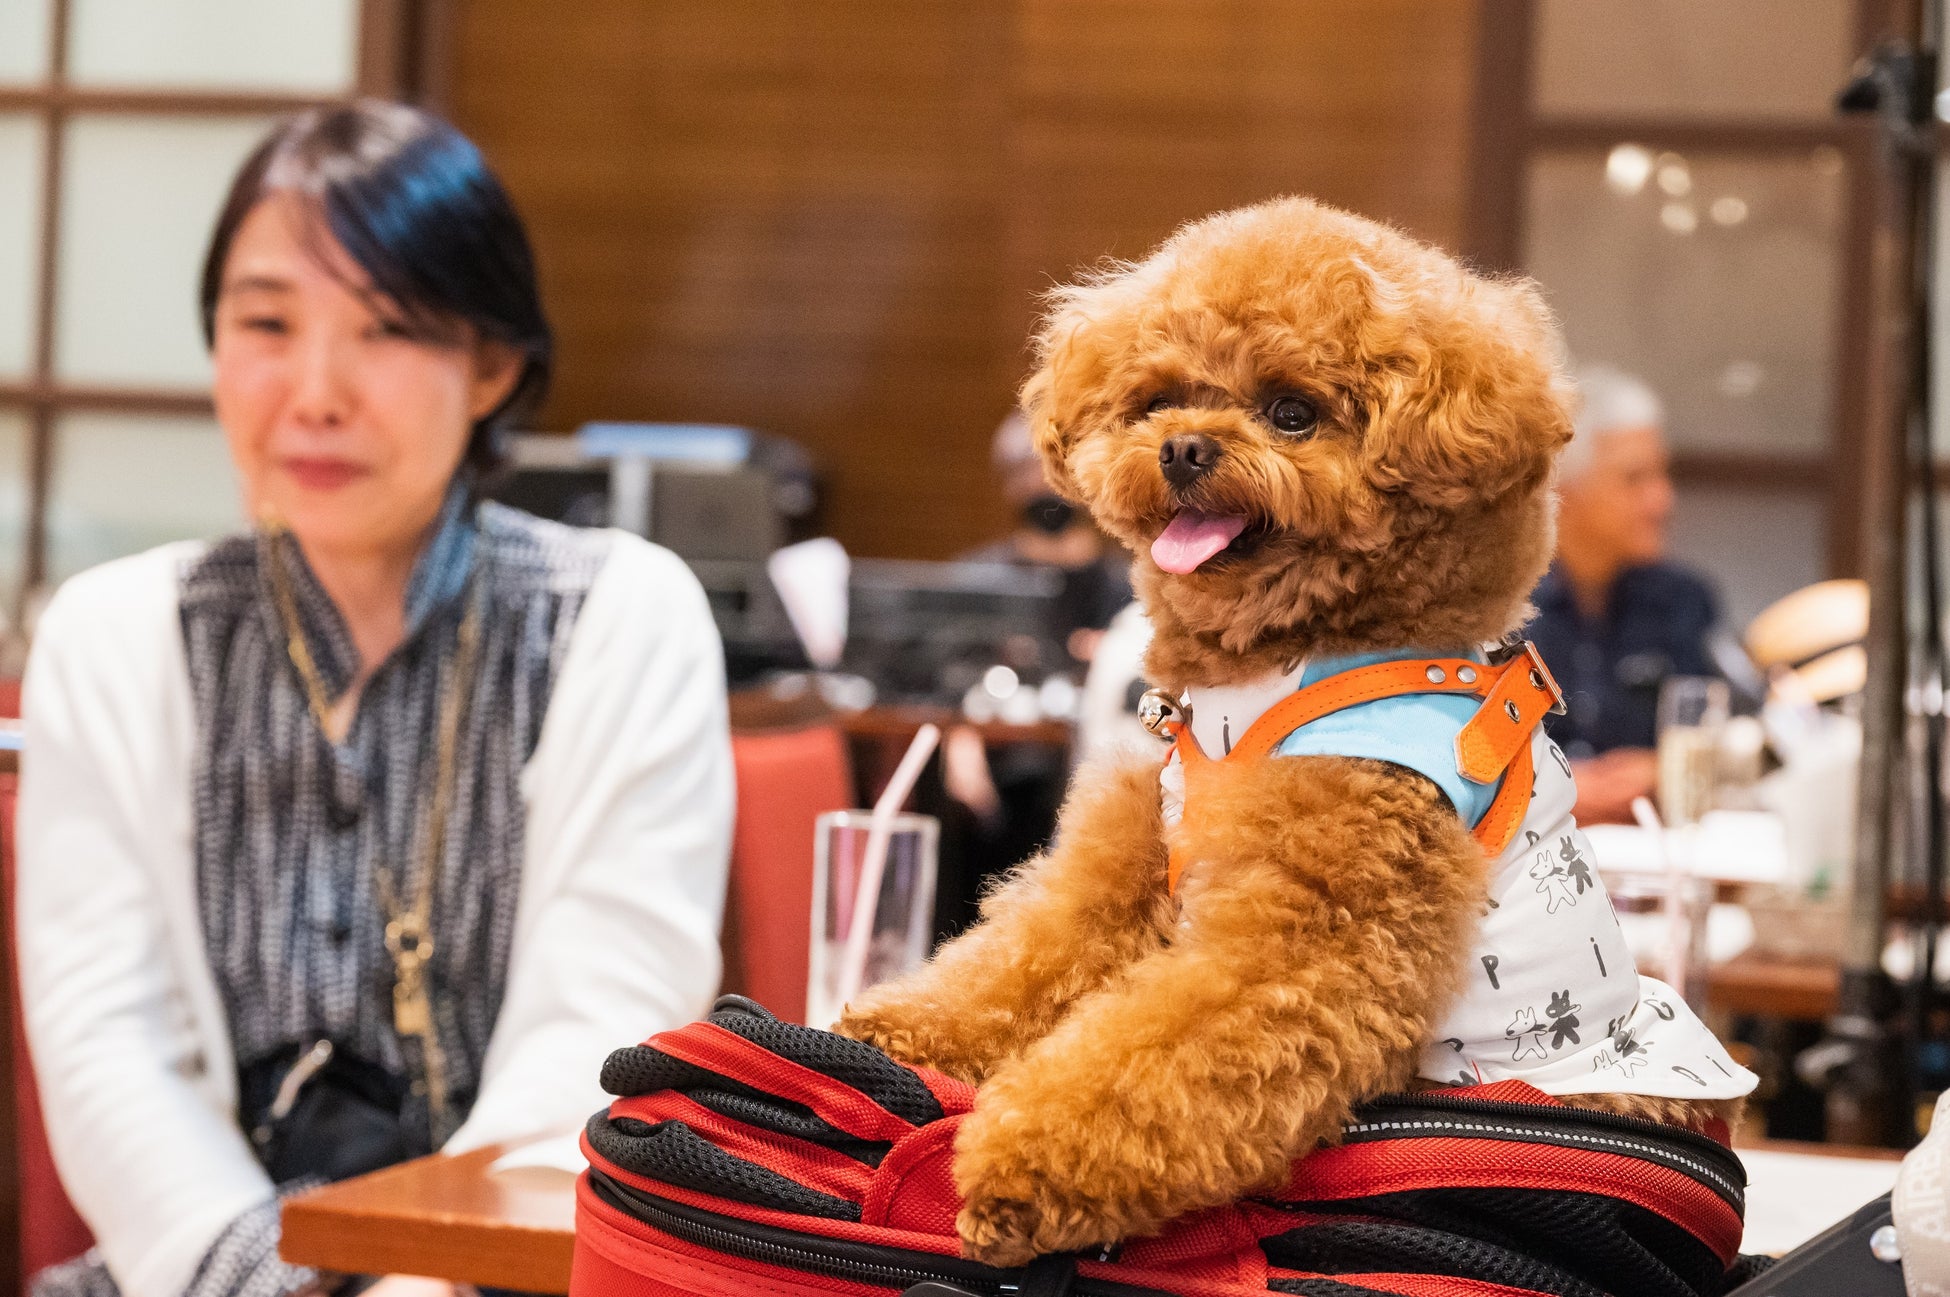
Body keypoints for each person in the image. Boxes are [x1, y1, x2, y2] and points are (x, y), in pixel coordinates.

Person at [17, 103, 734, 1297]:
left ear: (492, 364)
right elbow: (109, 1051)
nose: (314, 389)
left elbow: (603, 1026)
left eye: (388, 329)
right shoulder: (110, 636)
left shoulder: (618, 616)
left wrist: (422, 1282)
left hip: (512, 1272)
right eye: (264, 323)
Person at [1529, 364, 1720, 823]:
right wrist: (1555, 788)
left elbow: (1737, 730)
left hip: (1651, 861)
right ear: (1565, 486)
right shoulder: (1499, 610)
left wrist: (1663, 770)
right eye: (1635, 479)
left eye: (1662, 476)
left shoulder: (1684, 602)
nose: (1662, 500)